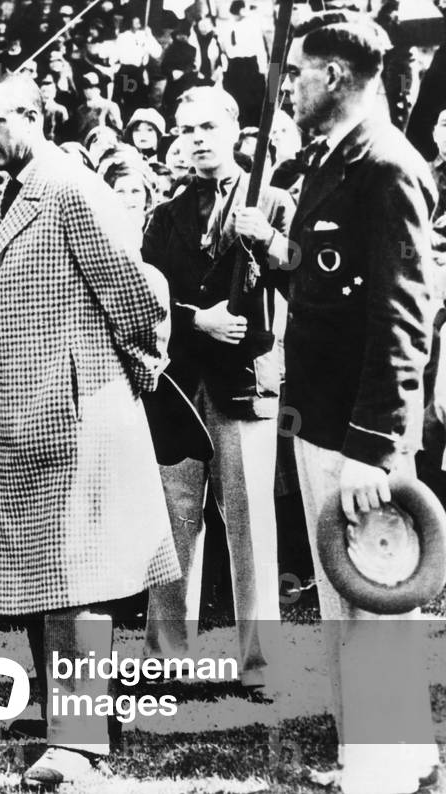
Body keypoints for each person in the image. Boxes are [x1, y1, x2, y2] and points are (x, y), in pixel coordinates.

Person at [0, 74, 177, 790]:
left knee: (73, 584)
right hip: (25, 421)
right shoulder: (13, 191)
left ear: (33, 117)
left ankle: (81, 748)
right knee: (48, 583)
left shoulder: (68, 186)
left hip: (73, 415)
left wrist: (139, 376)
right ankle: (79, 731)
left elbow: (137, 287)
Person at [281, 13, 441, 794]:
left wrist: (375, 446)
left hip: (357, 431)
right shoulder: (331, 163)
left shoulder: (387, 167)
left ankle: (387, 766)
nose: (290, 87)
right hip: (318, 417)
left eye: (298, 74)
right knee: (343, 596)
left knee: (373, 595)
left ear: (334, 75)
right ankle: (376, 757)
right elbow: (329, 293)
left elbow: (404, 318)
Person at [140, 86, 295, 694]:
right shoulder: (165, 212)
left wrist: (271, 243)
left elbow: (306, 267)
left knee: (250, 521)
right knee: (174, 521)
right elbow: (143, 293)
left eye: (207, 126)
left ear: (233, 126)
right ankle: (169, 654)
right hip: (180, 386)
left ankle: (260, 664)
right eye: (187, 129)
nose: (197, 138)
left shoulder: (274, 203)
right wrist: (194, 318)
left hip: (243, 383)